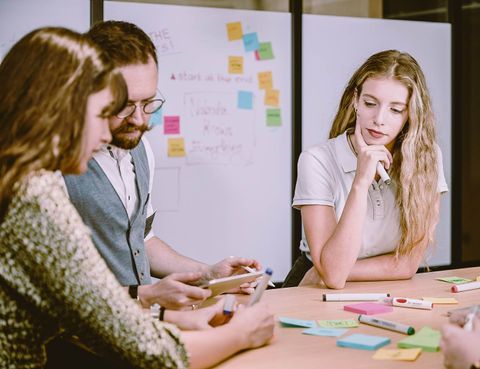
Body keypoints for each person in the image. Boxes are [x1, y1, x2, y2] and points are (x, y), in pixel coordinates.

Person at [0, 26, 273, 369]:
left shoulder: (19, 180)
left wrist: (183, 300)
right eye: (107, 112)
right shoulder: (37, 196)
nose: (105, 133)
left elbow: (105, 285)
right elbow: (143, 348)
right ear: (58, 108)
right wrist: (241, 334)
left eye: (148, 104)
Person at [63, 20, 261, 312]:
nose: (141, 120)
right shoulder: (52, 164)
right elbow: (56, 285)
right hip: (84, 334)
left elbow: (141, 240)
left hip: (138, 325)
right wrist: (147, 295)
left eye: (149, 103)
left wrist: (207, 275)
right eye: (125, 105)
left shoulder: (140, 149)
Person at [283, 49, 448, 289]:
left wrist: (331, 272)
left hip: (379, 287)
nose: (379, 119)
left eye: (395, 109)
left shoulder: (427, 157)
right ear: (355, 100)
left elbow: (407, 265)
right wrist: (360, 183)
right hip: (312, 287)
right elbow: (333, 276)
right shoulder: (316, 160)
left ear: (410, 115)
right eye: (370, 103)